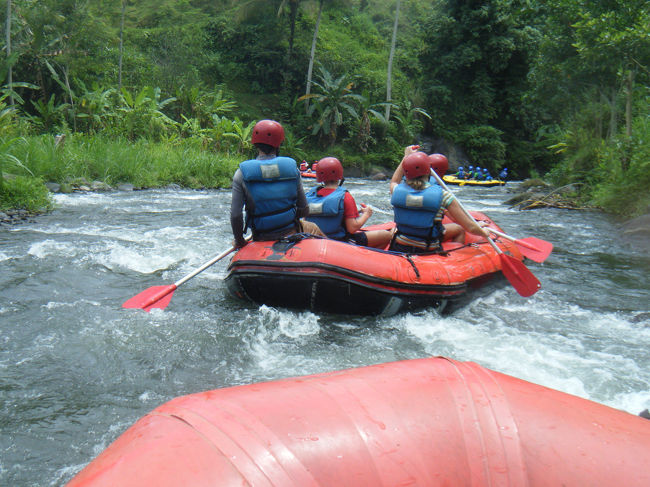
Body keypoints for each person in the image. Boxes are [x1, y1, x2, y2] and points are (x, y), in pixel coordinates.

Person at [230, 119, 324, 248]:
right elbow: (304, 210)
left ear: (255, 144)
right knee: (313, 227)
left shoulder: (240, 174)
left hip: (260, 235)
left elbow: (236, 215)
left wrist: (239, 240)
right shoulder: (292, 168)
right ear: (278, 143)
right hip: (290, 232)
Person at [389, 151, 491, 254]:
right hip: (427, 251)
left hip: (399, 247)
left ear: (405, 172)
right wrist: (484, 232)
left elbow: (394, 181)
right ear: (428, 171)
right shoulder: (444, 196)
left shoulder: (396, 190)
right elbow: (471, 227)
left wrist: (406, 156)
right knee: (458, 229)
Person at [305, 157, 393, 248]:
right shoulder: (345, 196)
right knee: (386, 235)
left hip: (314, 242)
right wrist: (367, 214)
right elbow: (352, 228)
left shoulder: (310, 195)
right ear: (340, 174)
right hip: (339, 243)